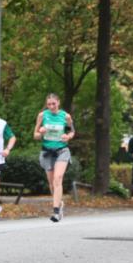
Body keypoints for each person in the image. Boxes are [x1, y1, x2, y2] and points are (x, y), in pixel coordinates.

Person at [33, 93, 75, 222]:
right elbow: (35, 135)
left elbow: (72, 131)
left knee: (58, 179)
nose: (51, 106)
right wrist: (40, 133)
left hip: (62, 151)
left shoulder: (66, 116)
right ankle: (59, 203)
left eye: (53, 104)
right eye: (49, 104)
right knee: (51, 184)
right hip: (47, 152)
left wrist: (68, 137)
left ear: (58, 103)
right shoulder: (42, 115)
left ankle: (56, 211)